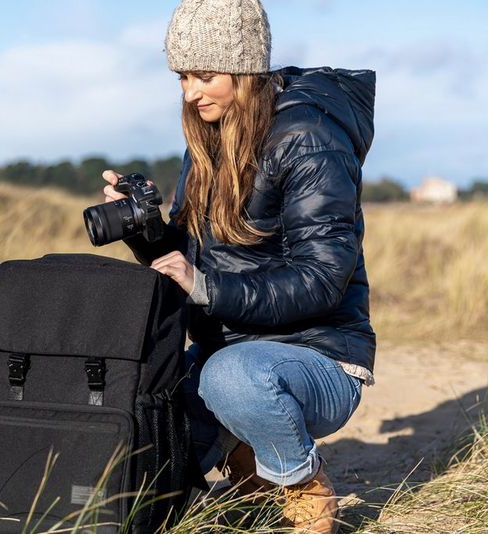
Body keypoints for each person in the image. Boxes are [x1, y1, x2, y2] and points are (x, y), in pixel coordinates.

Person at [100, 0, 376, 532]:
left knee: (231, 380)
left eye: (205, 76)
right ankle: (248, 461)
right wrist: (143, 230)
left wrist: (203, 286)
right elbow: (195, 256)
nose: (190, 92)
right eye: (182, 76)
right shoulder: (209, 136)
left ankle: (302, 486)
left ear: (246, 70)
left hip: (317, 357)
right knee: (143, 467)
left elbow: (321, 279)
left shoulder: (310, 140)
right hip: (223, 351)